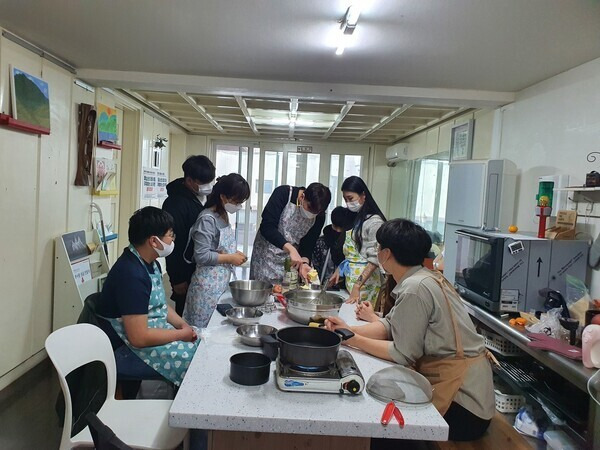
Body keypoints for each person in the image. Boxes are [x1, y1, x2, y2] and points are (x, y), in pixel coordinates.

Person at [325, 219, 495, 441]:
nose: (376, 253)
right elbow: (390, 325)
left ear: (386, 254)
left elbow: (403, 353)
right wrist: (348, 329)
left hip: (465, 405)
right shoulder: (424, 277)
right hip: (462, 390)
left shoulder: (416, 288)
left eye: (377, 248)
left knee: (383, 429)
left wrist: (352, 339)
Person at [96, 207, 199, 386]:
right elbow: (139, 337)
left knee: (201, 348)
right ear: (154, 241)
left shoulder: (151, 264)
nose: (173, 239)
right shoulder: (131, 274)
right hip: (126, 349)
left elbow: (159, 305)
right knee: (197, 364)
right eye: (170, 235)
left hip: (150, 337)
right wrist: (179, 335)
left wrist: (183, 325)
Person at [183, 173, 250, 328]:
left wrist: (233, 254)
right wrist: (230, 258)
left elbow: (219, 248)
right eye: (236, 201)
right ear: (223, 197)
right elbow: (201, 255)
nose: (238, 205)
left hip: (220, 284)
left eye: (241, 202)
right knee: (201, 333)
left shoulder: (222, 214)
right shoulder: (207, 219)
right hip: (206, 289)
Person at [162, 155, 216, 316]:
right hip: (184, 269)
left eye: (210, 181)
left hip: (201, 267)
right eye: (203, 182)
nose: (208, 186)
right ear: (190, 180)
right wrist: (176, 279)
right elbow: (172, 243)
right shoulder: (175, 203)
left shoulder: (205, 197)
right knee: (184, 311)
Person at [250, 183, 331, 283]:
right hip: (267, 256)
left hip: (292, 260)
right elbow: (267, 227)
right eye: (309, 208)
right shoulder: (283, 194)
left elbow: (309, 242)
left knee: (286, 292)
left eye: (316, 212)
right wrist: (291, 249)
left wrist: (305, 262)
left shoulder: (320, 215)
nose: (312, 214)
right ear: (302, 196)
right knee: (263, 292)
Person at [329, 176, 386, 304]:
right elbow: (353, 254)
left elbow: (375, 259)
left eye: (350, 198)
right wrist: (340, 269)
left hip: (367, 284)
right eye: (345, 199)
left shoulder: (374, 222)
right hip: (352, 281)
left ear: (363, 195)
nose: (348, 203)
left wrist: (357, 286)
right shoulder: (356, 220)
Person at [311, 206, 356, 281]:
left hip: (347, 286)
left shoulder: (351, 243)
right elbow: (315, 268)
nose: (338, 231)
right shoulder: (321, 242)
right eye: (335, 226)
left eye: (341, 228)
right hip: (324, 286)